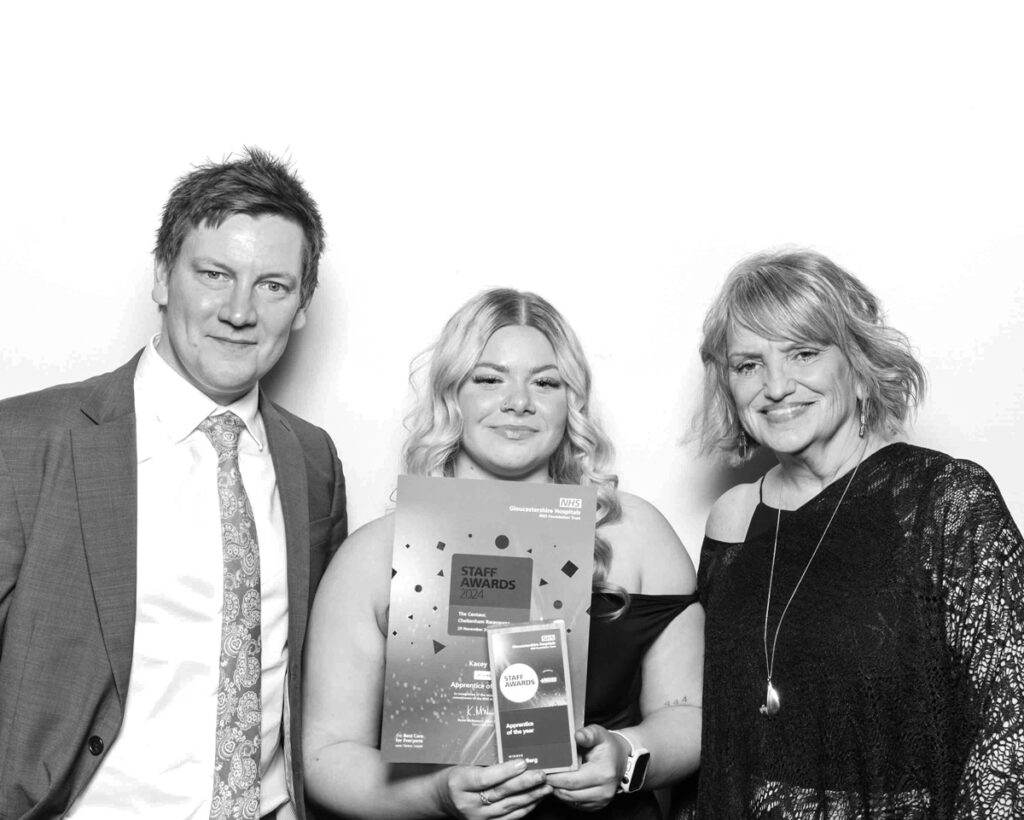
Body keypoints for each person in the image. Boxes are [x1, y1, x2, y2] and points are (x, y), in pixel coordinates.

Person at [0, 149, 347, 820]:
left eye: (273, 285)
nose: (239, 311)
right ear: (163, 277)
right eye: (214, 274)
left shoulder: (313, 460)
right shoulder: (25, 442)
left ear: (302, 305)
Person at [303, 288, 703, 819]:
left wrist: (627, 756)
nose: (519, 401)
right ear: (452, 395)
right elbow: (326, 753)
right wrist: (436, 795)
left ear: (572, 402)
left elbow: (692, 713)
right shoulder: (375, 555)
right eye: (489, 379)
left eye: (545, 381)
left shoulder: (638, 533)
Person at [694, 248, 1023, 817]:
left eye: (803, 353)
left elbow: (1011, 721)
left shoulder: (943, 500)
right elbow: (722, 738)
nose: (775, 385)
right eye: (748, 364)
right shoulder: (733, 517)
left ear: (859, 363)